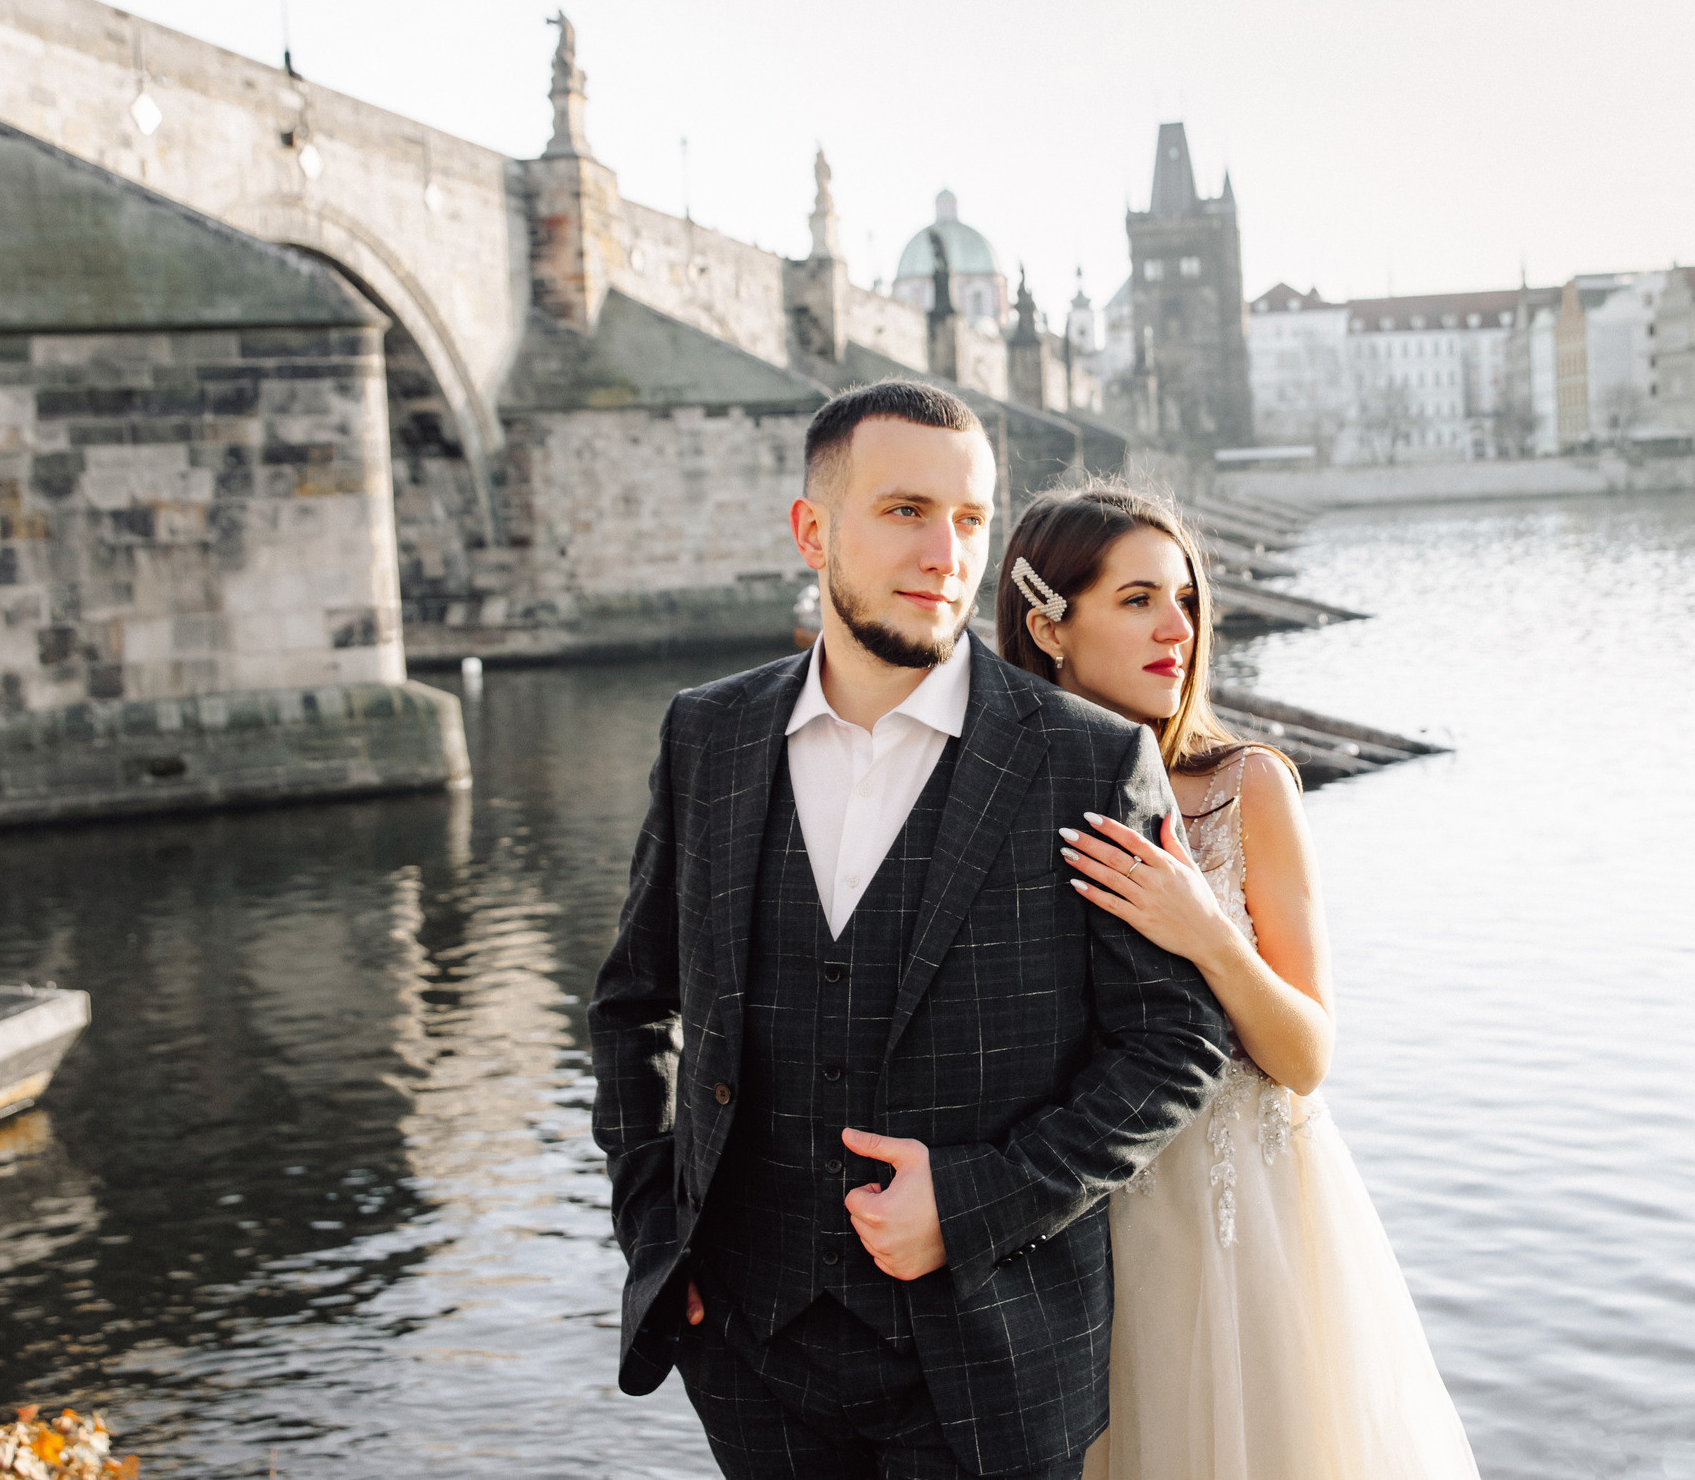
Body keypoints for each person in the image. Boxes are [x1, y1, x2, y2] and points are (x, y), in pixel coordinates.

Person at [588, 382, 1231, 1480]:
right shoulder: (708, 734)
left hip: (995, 1358)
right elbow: (633, 1006)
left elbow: (1177, 1045)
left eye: (971, 520)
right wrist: (661, 1233)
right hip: (751, 1350)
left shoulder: (1086, 761)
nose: (946, 552)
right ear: (812, 530)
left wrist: (979, 1199)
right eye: (904, 512)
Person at [997, 482, 1482, 1480]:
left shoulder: (1242, 787)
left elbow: (1305, 1055)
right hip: (1075, 1223)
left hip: (1246, 1219)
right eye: (1137, 601)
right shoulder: (995, 802)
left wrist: (1208, 933)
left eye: (1183, 600)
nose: (1177, 628)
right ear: (1049, 625)